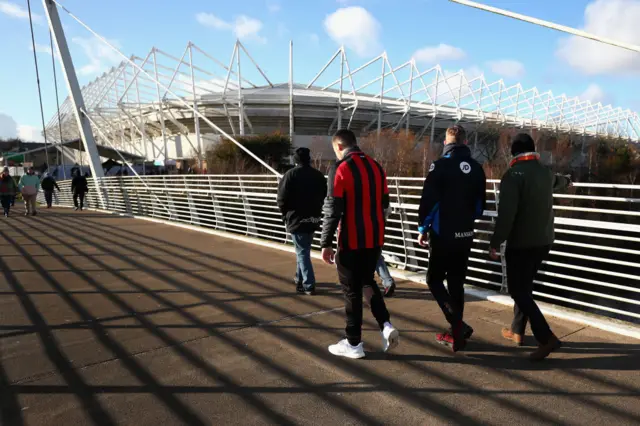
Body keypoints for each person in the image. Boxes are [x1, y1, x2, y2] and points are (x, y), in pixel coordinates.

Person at [489, 133, 571, 361]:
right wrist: (568, 181)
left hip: (521, 243)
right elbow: (559, 181)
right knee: (524, 287)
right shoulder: (544, 172)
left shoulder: (513, 176)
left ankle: (546, 338)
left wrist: (495, 242)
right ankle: (517, 331)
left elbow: (506, 216)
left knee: (517, 290)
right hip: (544, 241)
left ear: (514, 153)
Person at [320, 129, 399, 359]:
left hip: (351, 240)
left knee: (351, 291)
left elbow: (333, 208)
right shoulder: (376, 166)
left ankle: (353, 343)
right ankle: (385, 325)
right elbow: (385, 204)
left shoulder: (340, 168)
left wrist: (326, 243)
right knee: (367, 282)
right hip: (374, 239)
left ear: (338, 147)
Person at [417, 125, 486, 352]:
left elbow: (429, 202)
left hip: (442, 233)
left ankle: (457, 328)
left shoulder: (440, 166)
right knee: (457, 283)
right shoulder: (477, 168)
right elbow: (479, 208)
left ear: (446, 142)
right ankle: (457, 334)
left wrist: (422, 228)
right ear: (465, 143)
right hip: (465, 233)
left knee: (434, 280)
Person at [277, 147, 327, 295]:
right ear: (309, 159)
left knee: (302, 251)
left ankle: (308, 284)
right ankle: (299, 278)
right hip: (313, 218)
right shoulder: (318, 175)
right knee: (303, 250)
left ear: (295, 160)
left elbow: (281, 198)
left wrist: (284, 214)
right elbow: (324, 194)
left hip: (296, 218)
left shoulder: (290, 175)